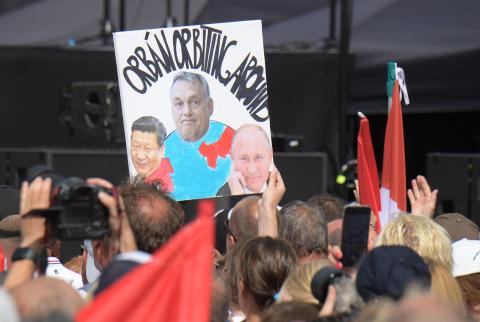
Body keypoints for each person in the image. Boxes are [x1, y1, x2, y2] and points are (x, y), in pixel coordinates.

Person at [165, 71, 234, 200]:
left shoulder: (235, 144)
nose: (187, 112)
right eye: (179, 104)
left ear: (210, 106)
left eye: (194, 102)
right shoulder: (160, 154)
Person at [130, 116, 173, 192]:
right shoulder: (145, 180)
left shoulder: (162, 188)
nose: (140, 156)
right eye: (136, 146)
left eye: (148, 148)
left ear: (161, 150)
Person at [227, 124, 273, 195]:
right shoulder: (219, 196)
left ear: (270, 156)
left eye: (258, 157)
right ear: (232, 158)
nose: (252, 170)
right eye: (244, 158)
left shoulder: (284, 185)